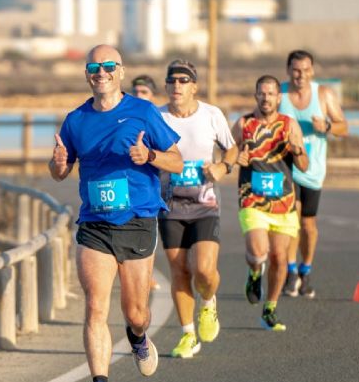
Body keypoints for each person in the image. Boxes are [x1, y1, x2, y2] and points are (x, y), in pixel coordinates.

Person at [50, 44, 182, 382]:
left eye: (109, 65)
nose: (101, 71)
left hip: (138, 221)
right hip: (95, 225)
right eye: (95, 66)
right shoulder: (75, 120)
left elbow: (177, 159)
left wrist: (150, 157)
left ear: (121, 72)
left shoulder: (142, 112)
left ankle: (138, 337)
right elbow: (60, 170)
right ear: (87, 73)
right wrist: (57, 163)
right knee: (95, 306)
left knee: (136, 312)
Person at [157, 60, 238, 358]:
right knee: (179, 270)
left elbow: (232, 148)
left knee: (204, 271)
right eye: (171, 81)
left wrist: (223, 165)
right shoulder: (157, 116)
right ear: (166, 86)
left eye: (183, 80)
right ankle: (188, 335)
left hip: (204, 205)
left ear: (194, 86)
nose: (176, 86)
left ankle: (208, 301)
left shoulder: (211, 114)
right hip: (169, 206)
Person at [231, 75, 308, 331]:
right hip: (252, 199)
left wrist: (297, 151)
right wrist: (236, 159)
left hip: (284, 202)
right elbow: (228, 156)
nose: (266, 98)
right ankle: (254, 273)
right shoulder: (243, 124)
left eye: (271, 93)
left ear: (278, 97)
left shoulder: (289, 125)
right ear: (256, 95)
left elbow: (304, 165)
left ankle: (270, 309)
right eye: (261, 93)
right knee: (259, 251)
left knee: (279, 258)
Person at [278, 50, 349, 298]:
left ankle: (305, 270)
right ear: (289, 71)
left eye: (306, 69)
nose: (301, 75)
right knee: (291, 221)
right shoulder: (280, 94)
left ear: (312, 71)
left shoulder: (323, 95)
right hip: (286, 169)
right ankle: (291, 272)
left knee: (308, 225)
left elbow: (344, 127)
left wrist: (327, 126)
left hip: (313, 170)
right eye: (296, 70)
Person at [130, 74, 161, 291]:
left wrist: (150, 155)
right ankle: (142, 275)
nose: (139, 96)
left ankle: (147, 273)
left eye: (144, 92)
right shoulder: (126, 116)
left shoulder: (157, 117)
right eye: (136, 92)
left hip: (161, 186)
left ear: (153, 95)